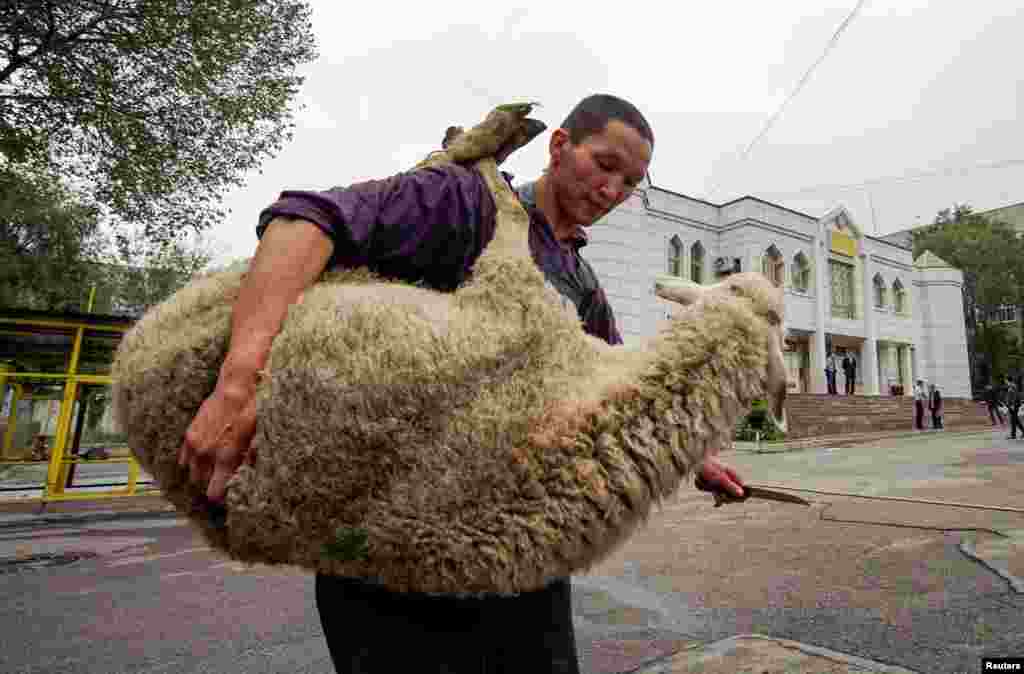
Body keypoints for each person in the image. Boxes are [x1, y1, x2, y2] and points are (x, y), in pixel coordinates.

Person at [176, 94, 747, 674]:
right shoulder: (467, 202)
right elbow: (304, 219)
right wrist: (240, 382)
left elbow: (615, 381)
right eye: (604, 165)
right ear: (559, 146)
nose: (612, 191)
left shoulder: (580, 280)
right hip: (385, 557)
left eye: (630, 182)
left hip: (514, 555)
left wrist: (693, 458)